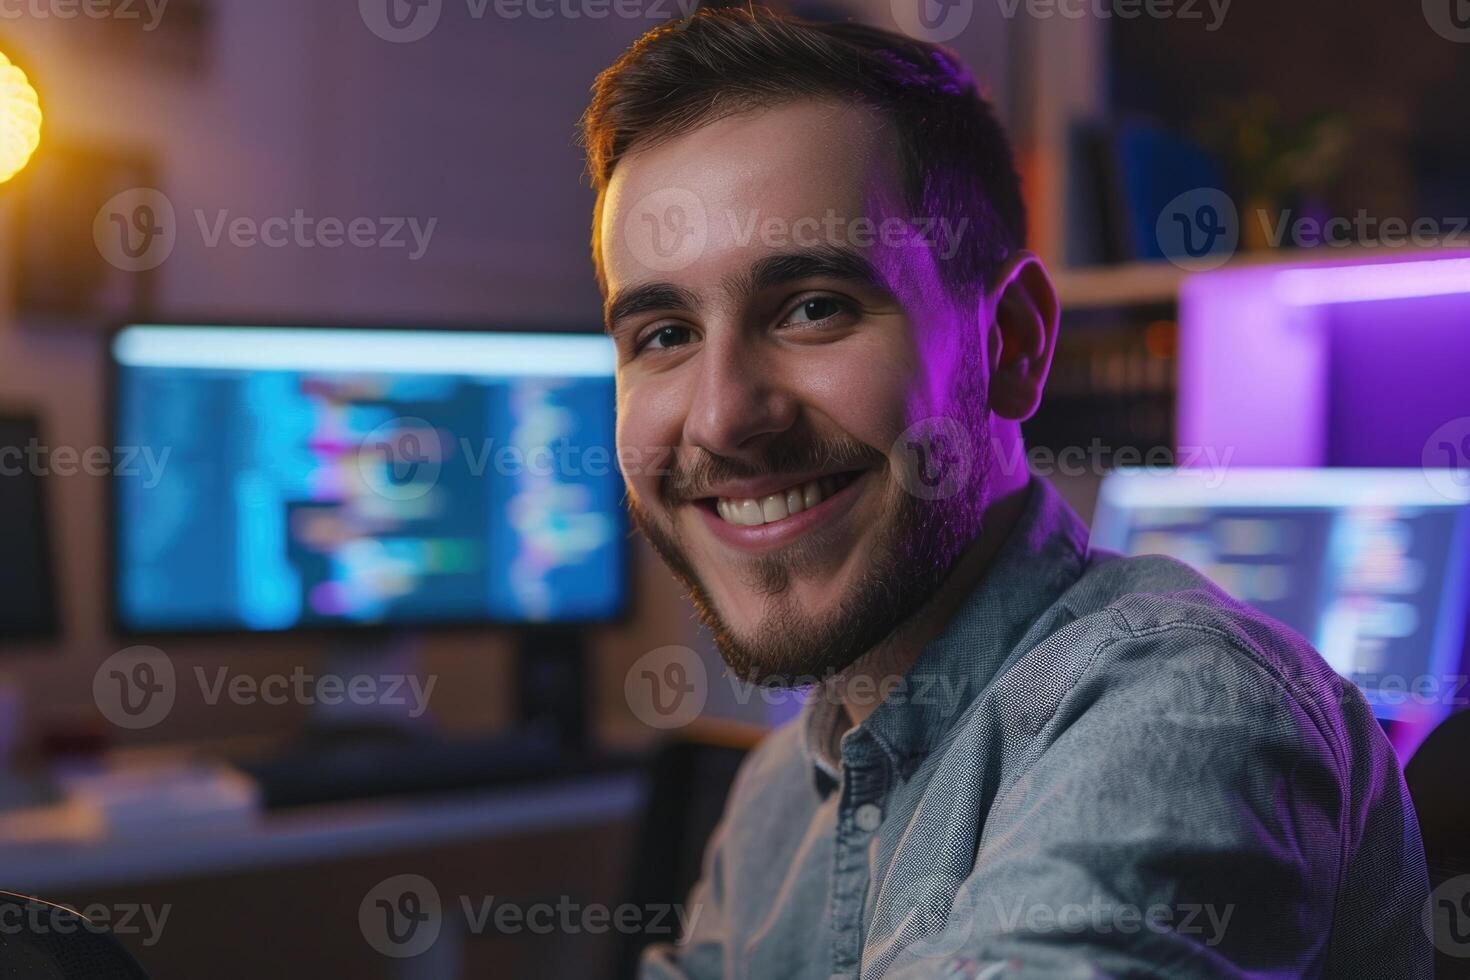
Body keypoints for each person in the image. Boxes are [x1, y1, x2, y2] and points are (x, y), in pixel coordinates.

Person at [580, 8, 1431, 977]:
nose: (723, 417)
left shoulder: (1185, 700)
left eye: (814, 307)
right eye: (662, 334)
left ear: (1013, 343)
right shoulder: (779, 794)